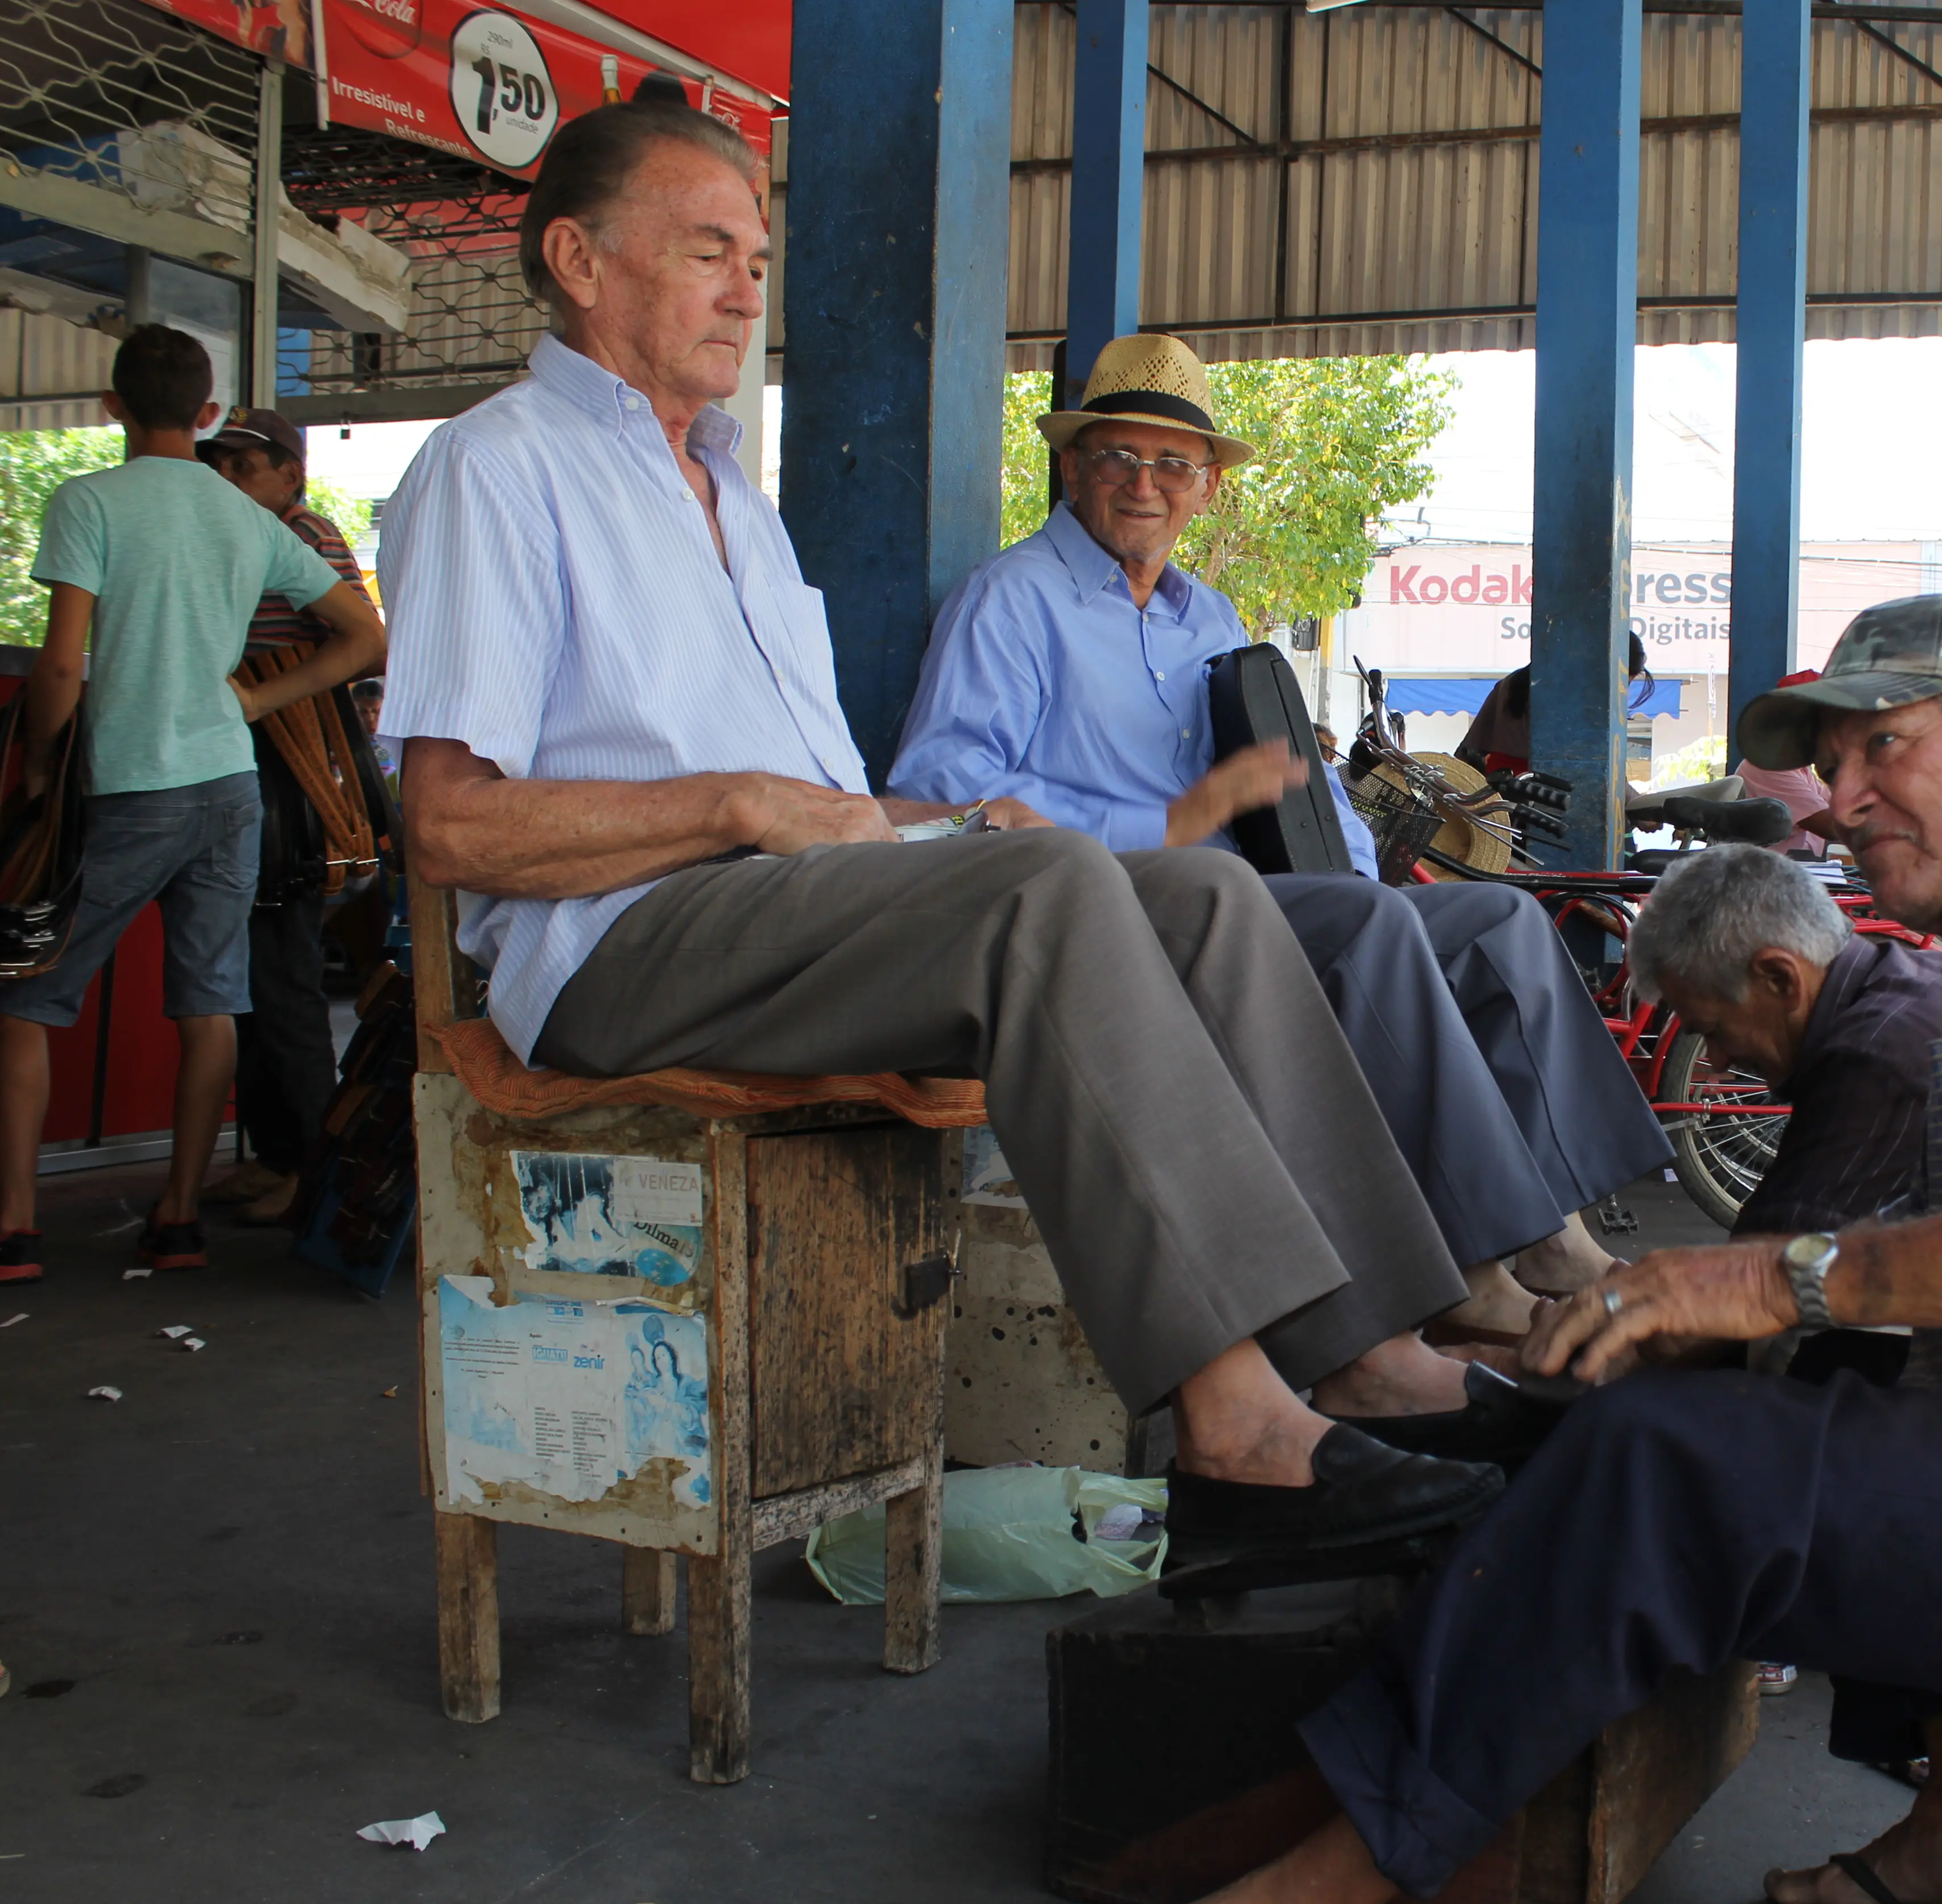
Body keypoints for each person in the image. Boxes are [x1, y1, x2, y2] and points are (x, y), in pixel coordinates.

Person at [1106, 592, 1942, 1904]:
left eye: (1887, 750)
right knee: (1794, 1372)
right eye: (1833, 762)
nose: (1841, 800)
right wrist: (1710, 1311)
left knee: (1667, 1465)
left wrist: (1759, 1284)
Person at [376, 101, 1515, 1574]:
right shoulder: (499, 468)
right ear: (579, 260)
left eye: (758, 259)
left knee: (1198, 902)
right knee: (1046, 890)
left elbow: (829, 803)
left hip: (795, 911)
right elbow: (452, 824)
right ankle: (1231, 1426)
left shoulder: (731, 493)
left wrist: (939, 822)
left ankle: (1364, 1349)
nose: (745, 290)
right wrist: (734, 805)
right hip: (619, 952)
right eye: (706, 252)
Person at [893, 334, 1669, 1333]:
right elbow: (943, 799)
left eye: (1174, 463)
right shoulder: (1008, 604)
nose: (1144, 484)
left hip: (1257, 907)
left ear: (1207, 488)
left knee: (1497, 926)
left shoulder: (1206, 617)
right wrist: (1171, 821)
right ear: (1074, 468)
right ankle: (1471, 1272)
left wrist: (1357, 875)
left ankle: (1555, 1232)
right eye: (1119, 458)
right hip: (1116, 916)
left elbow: (1300, 782)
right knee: (1369, 936)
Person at [0, 328, 384, 1284]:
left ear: (112, 407)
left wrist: (39, 768)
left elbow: (63, 658)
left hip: (128, 781)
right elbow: (363, 635)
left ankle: (18, 1224)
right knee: (212, 1004)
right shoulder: (247, 517)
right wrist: (254, 700)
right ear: (205, 415)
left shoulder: (89, 502)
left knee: (27, 997)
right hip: (228, 785)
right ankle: (177, 1219)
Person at [197, 407, 391, 1227]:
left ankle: (310, 1168)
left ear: (289, 474)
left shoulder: (303, 536)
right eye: (222, 465)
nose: (230, 480)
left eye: (247, 467)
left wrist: (261, 696)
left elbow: (365, 646)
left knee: (281, 974)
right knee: (248, 971)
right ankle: (280, 1153)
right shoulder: (233, 534)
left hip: (296, 768)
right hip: (257, 758)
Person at [1624, 843, 1942, 1242]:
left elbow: (1770, 1270)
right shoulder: (1914, 978)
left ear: (1780, 978)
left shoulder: (1877, 1057)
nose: (1719, 1060)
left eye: (1714, 1030)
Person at [1453, 631, 1647, 775]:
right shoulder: (1579, 697)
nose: (1623, 693)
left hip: (1499, 791)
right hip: (1541, 795)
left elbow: (1468, 751)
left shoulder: (1511, 683)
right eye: (1625, 683)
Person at [1732, 672, 1843, 856]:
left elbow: (1840, 807)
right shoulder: (1769, 767)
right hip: (1772, 876)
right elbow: (1832, 826)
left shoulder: (1800, 768)